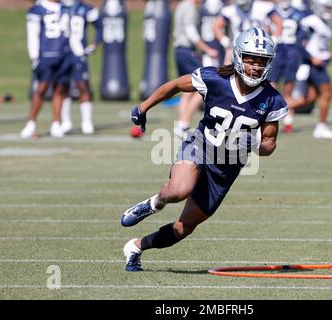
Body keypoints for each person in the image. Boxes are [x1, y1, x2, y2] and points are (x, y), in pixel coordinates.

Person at [121, 27, 288, 272]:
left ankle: (136, 247)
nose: (255, 67)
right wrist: (143, 107)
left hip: (226, 168)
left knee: (182, 228)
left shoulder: (272, 99)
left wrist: (253, 143)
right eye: (250, 60)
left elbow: (269, 144)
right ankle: (154, 203)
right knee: (179, 190)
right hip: (200, 146)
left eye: (261, 62)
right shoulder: (215, 78)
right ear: (238, 57)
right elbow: (176, 85)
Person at [286, 0, 332, 139]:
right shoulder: (310, 21)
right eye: (326, 7)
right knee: (327, 93)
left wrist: (327, 55)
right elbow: (299, 43)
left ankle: (272, 107)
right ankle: (321, 127)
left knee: (309, 98)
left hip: (319, 63)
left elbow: (319, 45)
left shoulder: (324, 22)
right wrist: (311, 58)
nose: (328, 10)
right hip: (312, 65)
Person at [21, 0, 72, 139]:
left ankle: (56, 123)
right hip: (46, 55)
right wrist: (34, 56)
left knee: (60, 89)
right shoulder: (37, 9)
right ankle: (31, 123)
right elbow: (33, 34)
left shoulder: (66, 8)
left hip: (64, 55)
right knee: (41, 89)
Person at [172, 0, 219, 139]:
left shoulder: (181, 5)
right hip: (187, 51)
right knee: (203, 86)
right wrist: (208, 49)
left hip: (179, 51)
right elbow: (191, 32)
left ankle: (181, 125)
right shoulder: (189, 7)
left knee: (186, 90)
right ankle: (183, 124)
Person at [60, 0, 102, 135]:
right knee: (62, 87)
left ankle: (86, 121)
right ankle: (65, 121)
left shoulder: (85, 9)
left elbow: (100, 27)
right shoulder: (58, 6)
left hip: (78, 53)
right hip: (62, 53)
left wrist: (95, 44)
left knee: (83, 86)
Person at [269, 0, 309, 133]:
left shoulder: (298, 13)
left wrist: (302, 58)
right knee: (270, 89)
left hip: (291, 55)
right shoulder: (271, 12)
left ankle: (288, 122)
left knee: (288, 91)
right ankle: (267, 120)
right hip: (275, 54)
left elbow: (303, 38)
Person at [213, 0, 283, 65]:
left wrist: (274, 39)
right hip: (239, 48)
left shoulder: (263, 7)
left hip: (260, 49)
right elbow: (217, 26)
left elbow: (279, 22)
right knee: (229, 72)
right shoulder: (230, 10)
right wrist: (223, 39)